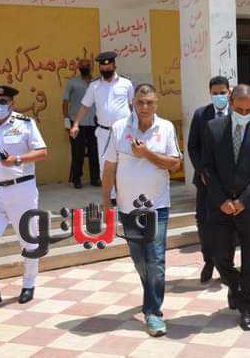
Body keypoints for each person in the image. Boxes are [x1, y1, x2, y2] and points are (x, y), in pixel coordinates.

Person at [101, 83, 182, 337]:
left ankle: (153, 312)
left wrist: (146, 153)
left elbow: (175, 164)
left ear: (156, 103)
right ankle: (151, 295)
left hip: (157, 206)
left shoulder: (166, 128)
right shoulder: (119, 128)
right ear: (133, 103)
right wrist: (106, 201)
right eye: (140, 102)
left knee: (155, 259)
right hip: (128, 208)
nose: (144, 107)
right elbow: (109, 168)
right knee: (139, 259)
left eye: (149, 102)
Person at [201, 84, 250, 331]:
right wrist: (222, 199)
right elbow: (207, 167)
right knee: (219, 255)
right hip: (220, 205)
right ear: (231, 104)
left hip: (249, 206)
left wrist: (245, 200)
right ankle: (236, 285)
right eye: (239, 109)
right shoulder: (213, 128)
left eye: (249, 110)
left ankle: (247, 306)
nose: (244, 113)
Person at [0, 85, 48, 314]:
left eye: (2, 101)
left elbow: (42, 152)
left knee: (29, 240)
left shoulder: (25, 124)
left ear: (12, 103)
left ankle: (28, 284)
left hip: (21, 189)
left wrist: (17, 159)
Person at [70, 51, 134, 199]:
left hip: (124, 131)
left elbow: (133, 106)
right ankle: (111, 196)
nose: (105, 69)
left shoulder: (126, 83)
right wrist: (76, 124)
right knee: (105, 164)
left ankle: (125, 194)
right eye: (102, 67)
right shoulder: (94, 86)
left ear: (114, 65)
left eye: (108, 67)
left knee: (125, 162)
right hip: (104, 132)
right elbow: (85, 106)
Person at [187, 75, 231, 283]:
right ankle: (208, 261)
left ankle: (226, 264)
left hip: (229, 181)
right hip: (205, 180)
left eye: (223, 93)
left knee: (228, 222)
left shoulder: (237, 113)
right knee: (204, 220)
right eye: (215, 93)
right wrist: (202, 171)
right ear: (210, 94)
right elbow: (192, 146)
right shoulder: (201, 114)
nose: (219, 96)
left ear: (229, 92)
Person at [62, 58, 99, 189]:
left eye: (87, 65)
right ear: (78, 67)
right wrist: (66, 120)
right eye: (82, 65)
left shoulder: (97, 83)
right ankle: (76, 179)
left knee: (95, 152)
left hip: (94, 123)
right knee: (78, 152)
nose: (84, 67)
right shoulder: (72, 82)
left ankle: (95, 179)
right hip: (77, 123)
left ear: (91, 67)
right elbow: (65, 102)